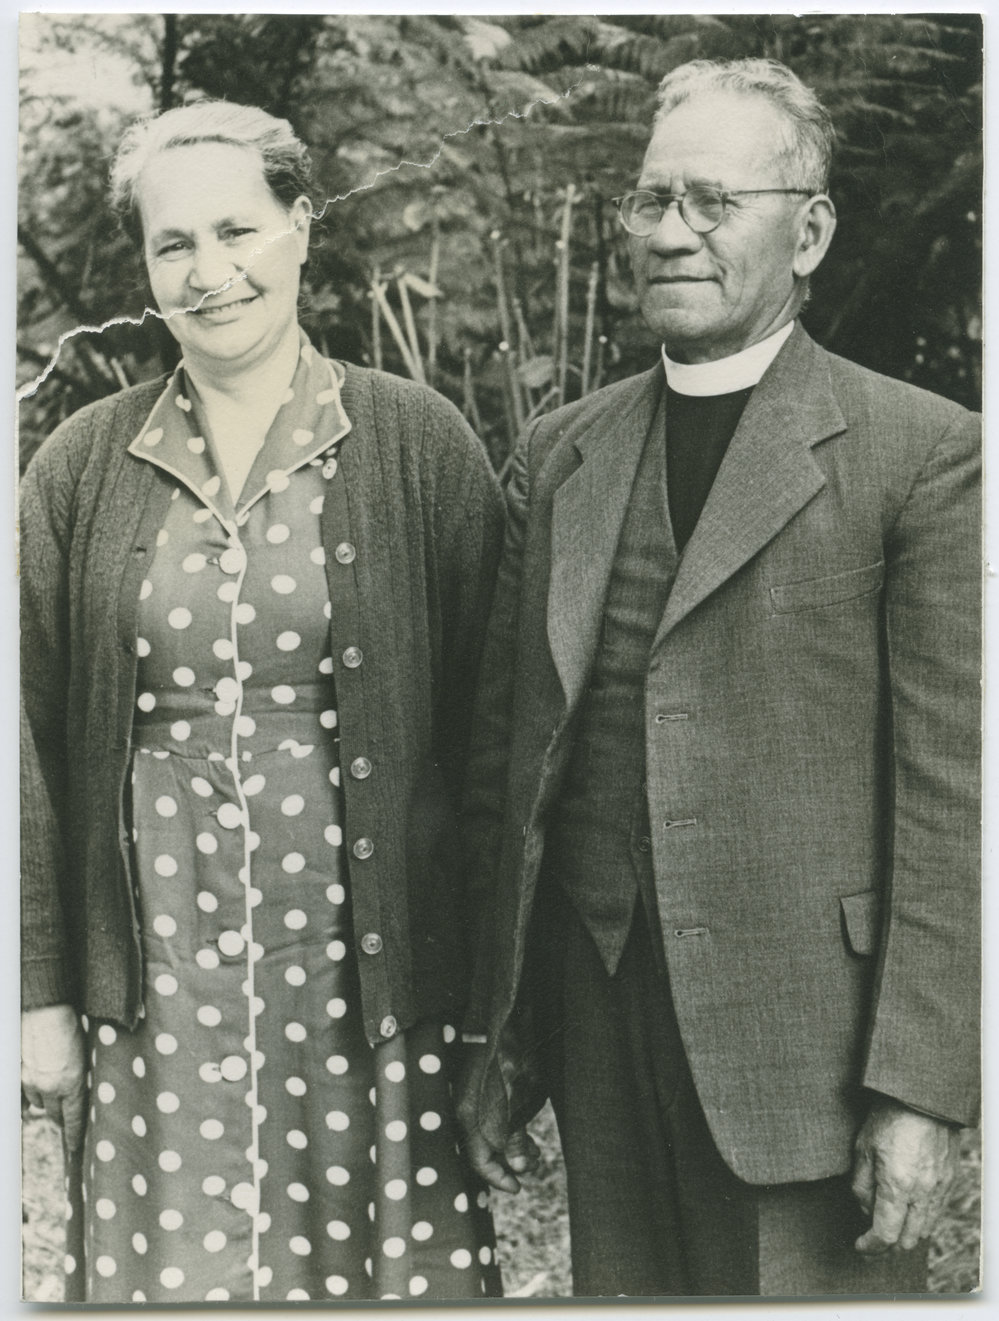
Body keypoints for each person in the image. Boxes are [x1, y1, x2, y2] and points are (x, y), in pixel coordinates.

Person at [457, 57, 979, 1298]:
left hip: (812, 1053)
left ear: (808, 231)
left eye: (711, 202)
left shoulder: (924, 454)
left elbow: (957, 797)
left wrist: (923, 1087)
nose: (671, 235)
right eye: (651, 202)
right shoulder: (561, 449)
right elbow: (507, 760)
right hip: (598, 1018)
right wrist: (504, 1028)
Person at [20, 99, 505, 1304]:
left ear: (302, 229)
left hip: (371, 987)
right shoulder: (80, 465)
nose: (209, 270)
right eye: (172, 244)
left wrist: (496, 1008)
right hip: (156, 989)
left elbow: (496, 738)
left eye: (237, 229)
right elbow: (16, 748)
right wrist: (36, 992)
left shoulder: (419, 445)